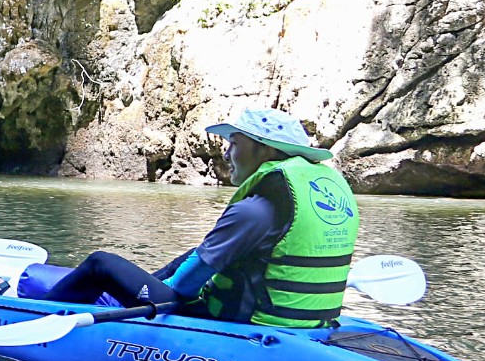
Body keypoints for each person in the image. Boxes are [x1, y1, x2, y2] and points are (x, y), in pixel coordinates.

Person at [21, 107, 360, 328]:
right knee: (187, 258)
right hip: (307, 322)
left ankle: (31, 317)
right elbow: (205, 257)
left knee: (101, 264)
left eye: (234, 142)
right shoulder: (317, 190)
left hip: (241, 320)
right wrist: (152, 282)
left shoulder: (257, 208)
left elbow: (184, 287)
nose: (226, 151)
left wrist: (164, 289)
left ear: (264, 149)